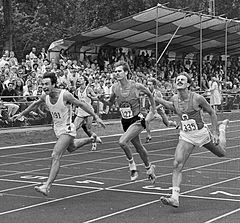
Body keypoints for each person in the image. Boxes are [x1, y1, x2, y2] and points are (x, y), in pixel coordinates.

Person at [13, 72, 105, 196]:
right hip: (57, 129)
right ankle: (91, 139)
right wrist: (21, 114)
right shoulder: (45, 96)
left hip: (67, 129)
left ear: (54, 84)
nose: (44, 87)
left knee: (55, 155)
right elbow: (35, 104)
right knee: (71, 148)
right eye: (42, 84)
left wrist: (96, 117)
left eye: (47, 84)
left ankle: (47, 186)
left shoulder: (65, 95)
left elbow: (82, 104)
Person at [156, 72, 229, 208]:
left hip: (202, 133)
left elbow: (212, 112)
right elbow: (172, 106)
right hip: (186, 136)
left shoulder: (197, 98)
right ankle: (175, 197)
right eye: (177, 79)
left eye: (182, 80)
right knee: (177, 164)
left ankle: (223, 129)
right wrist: (158, 99)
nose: (179, 81)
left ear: (188, 84)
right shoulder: (174, 98)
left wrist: (215, 132)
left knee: (221, 153)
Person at [105, 61, 156, 183]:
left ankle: (132, 167)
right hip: (125, 121)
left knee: (122, 142)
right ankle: (149, 169)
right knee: (138, 147)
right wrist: (100, 99)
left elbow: (149, 94)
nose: (116, 73)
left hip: (138, 119)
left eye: (119, 71)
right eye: (115, 71)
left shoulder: (136, 86)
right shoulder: (115, 87)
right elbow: (110, 102)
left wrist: (152, 109)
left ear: (126, 72)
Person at [145, 78, 177, 143]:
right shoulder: (147, 92)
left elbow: (162, 104)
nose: (149, 86)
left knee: (167, 124)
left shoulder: (157, 93)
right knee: (146, 120)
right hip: (152, 110)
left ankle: (174, 123)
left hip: (160, 110)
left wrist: (155, 108)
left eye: (150, 85)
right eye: (148, 84)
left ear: (154, 85)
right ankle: (149, 135)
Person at [74, 76, 101, 151]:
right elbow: (76, 100)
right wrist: (74, 109)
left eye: (81, 79)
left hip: (89, 111)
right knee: (74, 128)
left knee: (88, 130)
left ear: (85, 81)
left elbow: (96, 98)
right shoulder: (77, 90)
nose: (79, 80)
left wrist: (92, 97)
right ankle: (69, 143)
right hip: (80, 112)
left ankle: (94, 141)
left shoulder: (88, 89)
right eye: (78, 79)